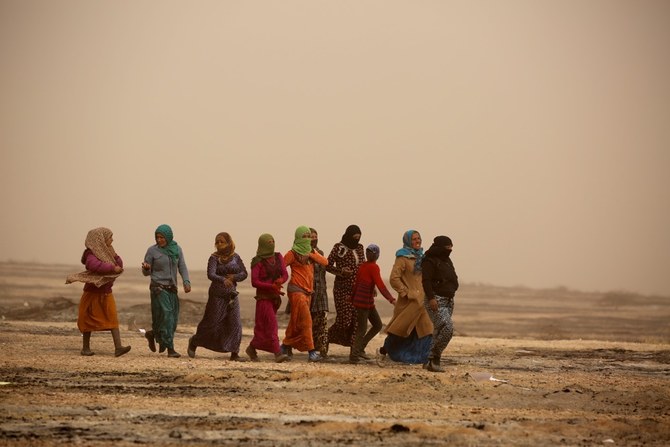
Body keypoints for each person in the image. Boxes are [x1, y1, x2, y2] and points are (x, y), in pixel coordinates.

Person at [65, 227, 131, 357]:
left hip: (106, 292)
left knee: (112, 318)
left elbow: (119, 264)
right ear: (100, 239)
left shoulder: (108, 252)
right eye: (110, 237)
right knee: (87, 320)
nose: (112, 240)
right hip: (92, 293)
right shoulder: (90, 253)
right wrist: (112, 267)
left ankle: (118, 347)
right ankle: (85, 348)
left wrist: (115, 257)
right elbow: (94, 266)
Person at [188, 232, 247, 361]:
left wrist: (234, 277)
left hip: (232, 295)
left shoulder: (236, 257)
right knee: (212, 322)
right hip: (217, 295)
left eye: (222, 241)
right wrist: (222, 280)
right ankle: (194, 341)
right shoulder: (214, 258)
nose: (219, 244)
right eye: (217, 242)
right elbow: (210, 274)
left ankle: (234, 352)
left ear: (229, 242)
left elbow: (244, 273)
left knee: (235, 323)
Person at [378, 230, 433, 365]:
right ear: (408, 241)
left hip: (423, 302)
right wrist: (406, 293)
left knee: (427, 330)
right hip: (410, 302)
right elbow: (394, 278)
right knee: (399, 330)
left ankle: (425, 359)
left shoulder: (423, 257)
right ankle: (382, 352)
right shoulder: (402, 257)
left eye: (418, 238)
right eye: (414, 239)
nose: (417, 241)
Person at [141, 224, 191, 358]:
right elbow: (146, 272)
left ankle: (152, 334)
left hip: (172, 288)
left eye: (162, 237)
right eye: (157, 237)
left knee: (171, 319)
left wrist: (186, 281)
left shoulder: (177, 250)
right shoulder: (152, 251)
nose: (159, 240)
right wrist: (146, 269)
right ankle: (171, 349)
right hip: (158, 288)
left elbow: (183, 267)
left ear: (168, 237)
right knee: (167, 316)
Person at [281, 225, 329, 362]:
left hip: (308, 293)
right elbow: (281, 267)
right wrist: (278, 283)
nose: (307, 239)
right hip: (296, 291)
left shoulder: (312, 251)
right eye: (305, 236)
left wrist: (311, 254)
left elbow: (325, 262)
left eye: (309, 236)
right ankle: (312, 351)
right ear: (298, 237)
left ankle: (284, 346)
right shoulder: (292, 253)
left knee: (295, 321)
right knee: (307, 321)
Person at [245, 233, 290, 363]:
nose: (271, 244)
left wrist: (280, 280)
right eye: (268, 242)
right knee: (271, 325)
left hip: (275, 299)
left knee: (263, 327)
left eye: (273, 241)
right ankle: (278, 353)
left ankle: (252, 347)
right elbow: (255, 281)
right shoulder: (257, 261)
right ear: (262, 244)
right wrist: (271, 286)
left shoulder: (278, 257)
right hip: (263, 298)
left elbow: (285, 274)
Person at [349, 244, 396, 364]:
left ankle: (360, 349)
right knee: (362, 329)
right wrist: (391, 299)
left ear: (376, 255)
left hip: (367, 302)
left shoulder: (365, 266)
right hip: (362, 303)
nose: (369, 254)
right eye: (368, 252)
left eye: (371, 252)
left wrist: (352, 298)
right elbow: (381, 285)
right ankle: (354, 357)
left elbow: (360, 282)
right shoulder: (372, 267)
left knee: (377, 325)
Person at [421, 235, 459, 372]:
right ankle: (434, 358)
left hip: (449, 300)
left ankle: (430, 362)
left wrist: (454, 287)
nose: (450, 250)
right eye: (447, 247)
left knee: (439, 331)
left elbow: (452, 276)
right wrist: (431, 298)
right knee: (447, 328)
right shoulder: (429, 261)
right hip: (436, 300)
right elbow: (426, 281)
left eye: (451, 247)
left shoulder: (447, 260)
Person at [326, 224, 365, 350]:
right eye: (354, 237)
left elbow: (363, 267)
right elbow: (327, 265)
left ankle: (355, 351)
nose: (356, 240)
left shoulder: (360, 248)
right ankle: (326, 337)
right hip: (342, 289)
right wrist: (341, 271)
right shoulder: (338, 248)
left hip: (357, 290)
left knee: (356, 322)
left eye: (358, 237)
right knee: (344, 321)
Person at [309, 228, 330, 359]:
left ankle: (322, 350)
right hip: (308, 293)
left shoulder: (320, 253)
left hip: (321, 293)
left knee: (321, 322)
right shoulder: (302, 254)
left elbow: (324, 271)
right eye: (311, 237)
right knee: (306, 323)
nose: (314, 239)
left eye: (316, 236)